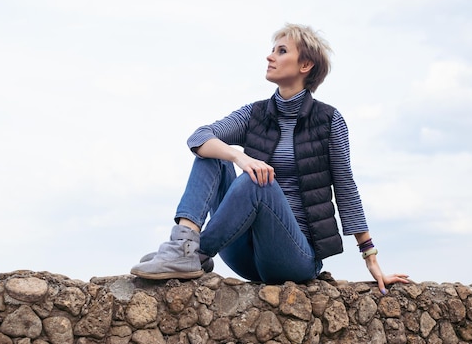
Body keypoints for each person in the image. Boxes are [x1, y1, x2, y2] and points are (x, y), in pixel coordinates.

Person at [131, 23, 409, 292]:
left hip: (295, 258)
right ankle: (184, 247)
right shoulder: (255, 114)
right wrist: (238, 157)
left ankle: (193, 254)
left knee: (258, 182)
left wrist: (370, 257)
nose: (270, 56)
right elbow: (198, 137)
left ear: (305, 65)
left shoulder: (329, 120)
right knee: (212, 154)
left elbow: (346, 189)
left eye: (281, 51)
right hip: (245, 255)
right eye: (272, 50)